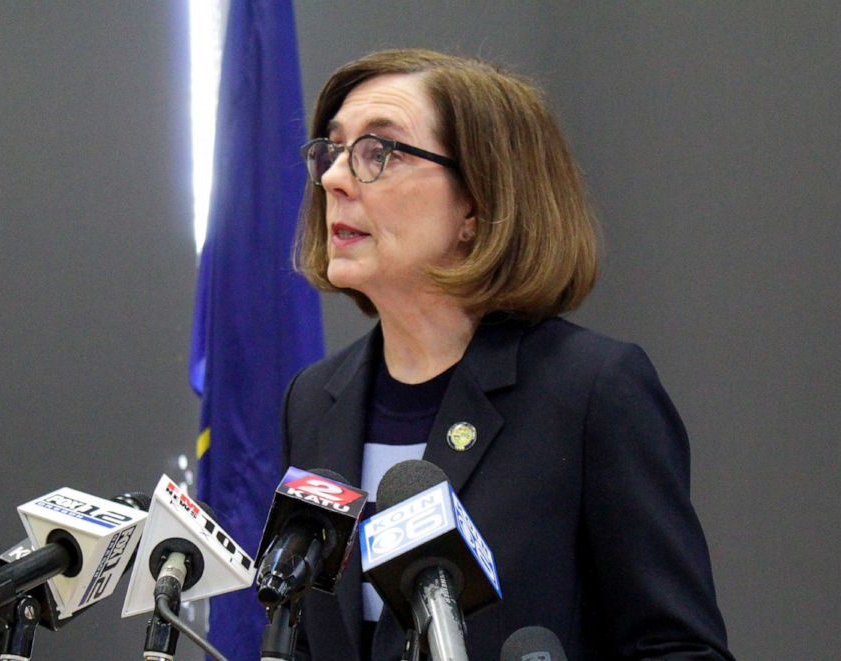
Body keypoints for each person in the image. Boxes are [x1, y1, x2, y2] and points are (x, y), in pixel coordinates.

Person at [281, 49, 733, 660]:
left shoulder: (591, 392)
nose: (334, 179)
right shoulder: (314, 400)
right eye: (333, 151)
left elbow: (678, 648)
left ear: (475, 203)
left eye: (378, 154)